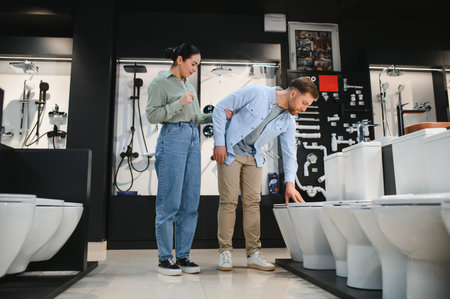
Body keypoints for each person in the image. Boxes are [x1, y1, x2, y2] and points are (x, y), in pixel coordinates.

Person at [212, 77, 319, 271]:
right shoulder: (257, 92)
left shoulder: (288, 120)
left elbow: (289, 152)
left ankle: (253, 254)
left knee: (253, 203)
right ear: (293, 93)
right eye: (304, 103)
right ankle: (225, 252)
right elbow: (220, 108)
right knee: (228, 201)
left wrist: (290, 183)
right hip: (230, 152)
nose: (304, 109)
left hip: (254, 156)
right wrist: (219, 142)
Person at [146, 43, 233, 276]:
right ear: (180, 60)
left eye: (197, 65)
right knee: (169, 202)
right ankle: (165, 259)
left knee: (191, 203)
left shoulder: (188, 85)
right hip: (172, 137)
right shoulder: (160, 82)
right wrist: (178, 103)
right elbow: (152, 115)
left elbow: (195, 116)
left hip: (193, 137)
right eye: (193, 64)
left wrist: (216, 115)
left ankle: (183, 256)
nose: (195, 69)